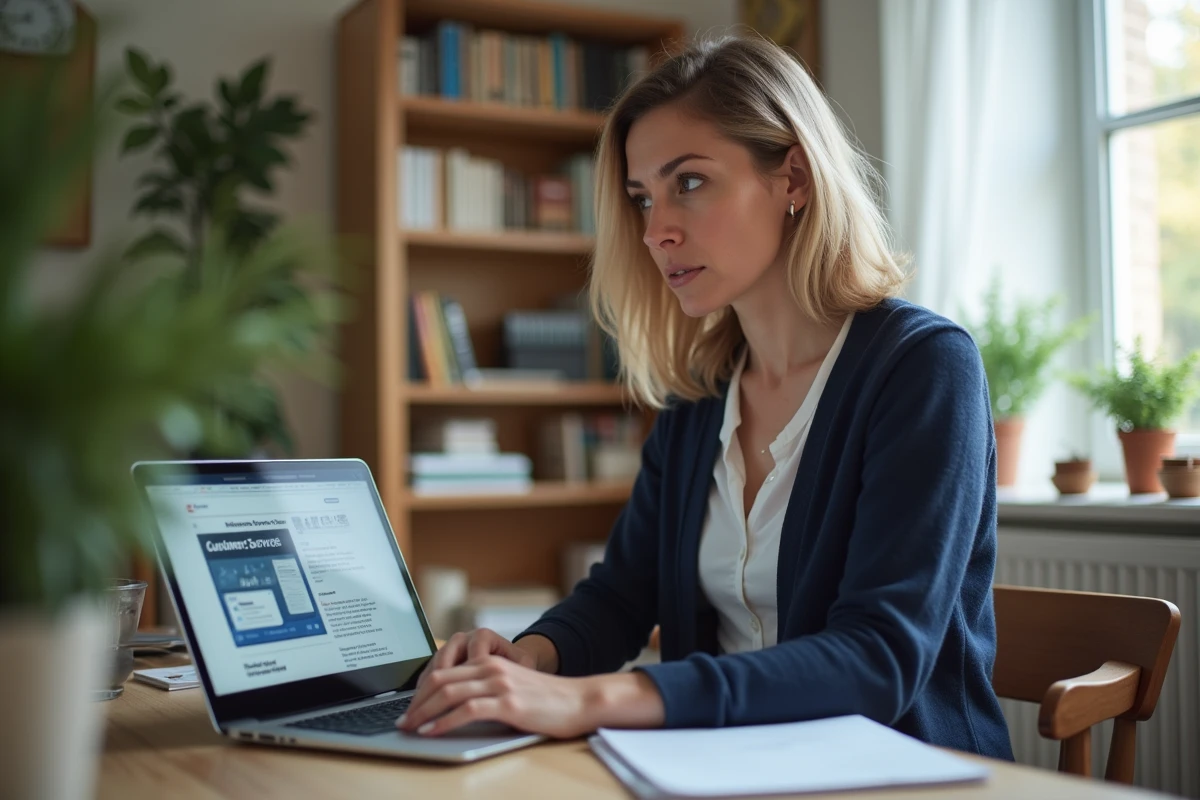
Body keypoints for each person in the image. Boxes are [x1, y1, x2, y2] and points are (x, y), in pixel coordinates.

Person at [397, 33, 1014, 759]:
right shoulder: (700, 396)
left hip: (905, 772)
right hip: (726, 767)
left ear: (795, 178)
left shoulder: (922, 369)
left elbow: (878, 660)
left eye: (688, 182)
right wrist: (525, 661)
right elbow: (624, 595)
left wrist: (591, 699)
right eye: (641, 197)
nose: (657, 230)